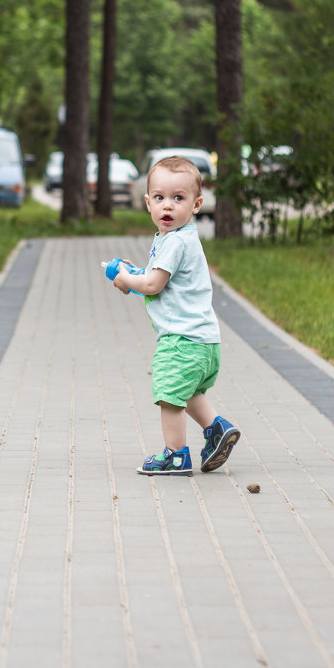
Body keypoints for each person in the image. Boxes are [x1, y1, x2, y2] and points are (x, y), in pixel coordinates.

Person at [111, 156, 240, 475]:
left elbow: (153, 285)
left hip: (181, 340)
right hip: (205, 342)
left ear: (197, 204)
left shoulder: (173, 242)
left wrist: (127, 280)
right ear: (148, 202)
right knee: (188, 391)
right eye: (160, 198)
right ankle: (217, 428)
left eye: (178, 198)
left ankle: (175, 456)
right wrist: (138, 274)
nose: (167, 206)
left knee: (169, 394)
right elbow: (160, 279)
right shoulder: (183, 238)